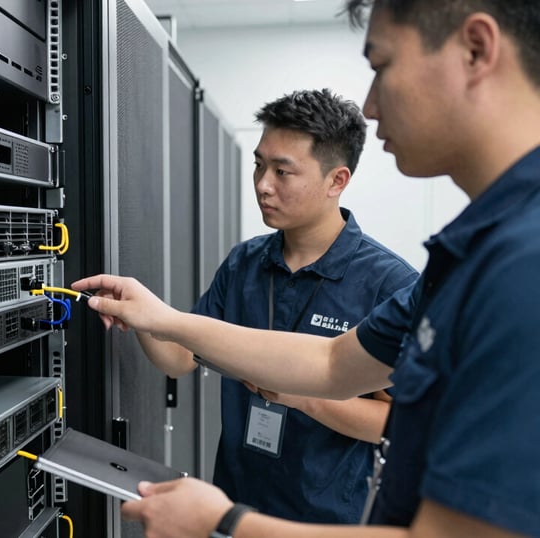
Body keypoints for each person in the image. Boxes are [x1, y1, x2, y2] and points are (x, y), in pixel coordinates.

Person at [72, 0, 540, 536]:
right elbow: (334, 363)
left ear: (476, 49)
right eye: (260, 166)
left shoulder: (520, 265)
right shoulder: (465, 256)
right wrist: (160, 318)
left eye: (382, 65)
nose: (370, 105)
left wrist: (224, 520)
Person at [133, 88, 417, 522]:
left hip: (325, 521)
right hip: (233, 505)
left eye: (283, 171)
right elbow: (180, 358)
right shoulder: (245, 262)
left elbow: (400, 423)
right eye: (259, 165)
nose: (263, 185)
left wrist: (305, 398)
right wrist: (143, 317)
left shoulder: (388, 283)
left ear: (336, 181)